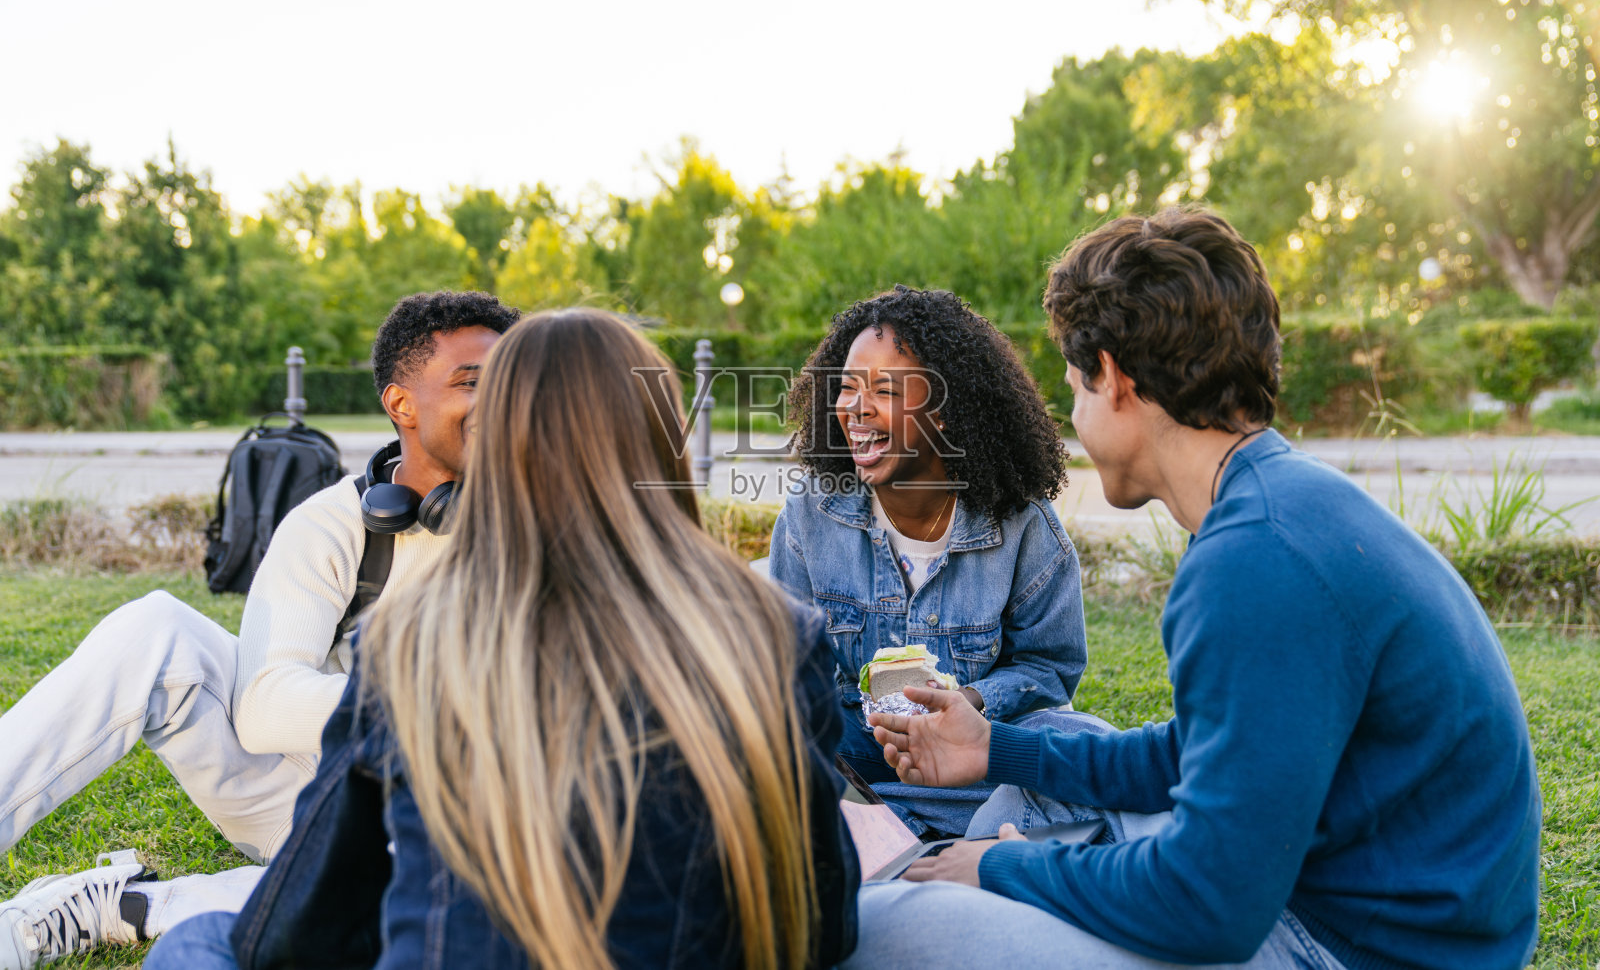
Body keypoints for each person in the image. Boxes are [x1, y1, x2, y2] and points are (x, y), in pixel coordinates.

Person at [847, 208, 1542, 970]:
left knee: (884, 920)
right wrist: (993, 747)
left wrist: (996, 869)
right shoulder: (1279, 501)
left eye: (1074, 387)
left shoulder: (1256, 561)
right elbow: (1198, 752)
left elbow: (1208, 904)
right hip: (1337, 897)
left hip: (1343, 946)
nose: (1073, 416)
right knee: (1057, 753)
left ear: (1111, 376)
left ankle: (995, 870)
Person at [144, 308, 860, 970]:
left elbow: (291, 936)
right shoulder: (778, 632)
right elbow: (827, 925)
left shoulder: (411, 646)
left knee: (201, 942)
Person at [0, 290, 520, 969]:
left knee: (463, 885)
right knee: (155, 627)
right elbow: (266, 705)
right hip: (309, 789)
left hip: (460, 824)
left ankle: (123, 905)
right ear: (402, 404)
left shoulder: (544, 524)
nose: (499, 402)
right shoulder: (331, 524)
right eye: (470, 382)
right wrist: (427, 706)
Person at [769, 285, 1096, 838]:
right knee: (773, 736)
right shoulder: (811, 514)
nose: (854, 408)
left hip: (971, 756)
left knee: (1078, 737)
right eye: (847, 388)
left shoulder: (1021, 525)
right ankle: (950, 826)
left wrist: (968, 701)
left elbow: (1050, 667)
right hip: (859, 751)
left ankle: (889, 827)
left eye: (884, 390)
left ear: (945, 413)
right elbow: (787, 670)